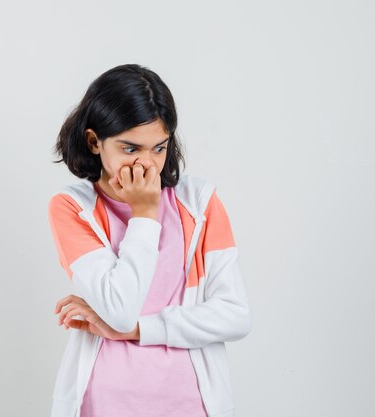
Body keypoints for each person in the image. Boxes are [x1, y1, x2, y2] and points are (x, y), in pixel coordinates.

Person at [47, 63, 252, 417]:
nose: (148, 164)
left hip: (192, 404)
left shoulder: (199, 203)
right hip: (106, 402)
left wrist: (141, 330)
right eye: (131, 149)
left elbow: (235, 315)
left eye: (159, 148)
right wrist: (144, 213)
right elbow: (120, 310)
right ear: (95, 142)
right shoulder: (72, 208)